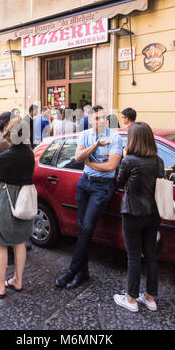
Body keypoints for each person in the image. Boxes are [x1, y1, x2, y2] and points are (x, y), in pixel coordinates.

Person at [55, 106, 122, 289]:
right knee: (81, 228)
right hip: (84, 184)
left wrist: (89, 162)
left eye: (103, 118)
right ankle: (83, 272)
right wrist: (95, 146)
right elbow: (77, 158)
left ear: (107, 120)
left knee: (86, 228)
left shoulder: (115, 138)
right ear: (90, 120)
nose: (100, 121)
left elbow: (110, 167)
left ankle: (72, 270)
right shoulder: (85, 135)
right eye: (96, 118)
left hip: (102, 186)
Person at [113, 122, 164, 313]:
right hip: (153, 213)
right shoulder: (158, 161)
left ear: (133, 140)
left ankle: (131, 299)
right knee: (151, 255)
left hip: (133, 213)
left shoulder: (129, 160)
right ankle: (150, 298)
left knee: (134, 257)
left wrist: (124, 158)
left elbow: (119, 182)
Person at [0, 118, 35, 298]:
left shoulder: (5, 156)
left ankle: (0, 285)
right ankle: (18, 279)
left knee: (0, 243)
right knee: (19, 241)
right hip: (24, 199)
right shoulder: (30, 154)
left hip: (6, 199)